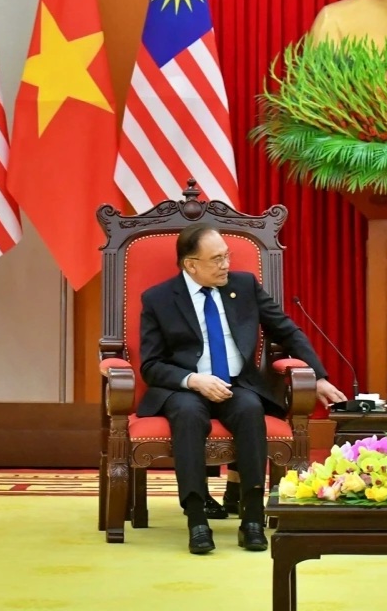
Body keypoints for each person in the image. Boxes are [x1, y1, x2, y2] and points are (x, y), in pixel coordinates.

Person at [138, 223, 348, 554]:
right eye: (217, 259)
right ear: (191, 264)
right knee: (188, 415)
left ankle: (252, 518)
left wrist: (317, 376)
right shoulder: (159, 299)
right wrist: (194, 380)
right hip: (187, 388)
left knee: (250, 409)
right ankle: (197, 520)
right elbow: (151, 365)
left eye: (227, 256)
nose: (226, 265)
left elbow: (287, 331)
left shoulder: (244, 286)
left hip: (237, 384)